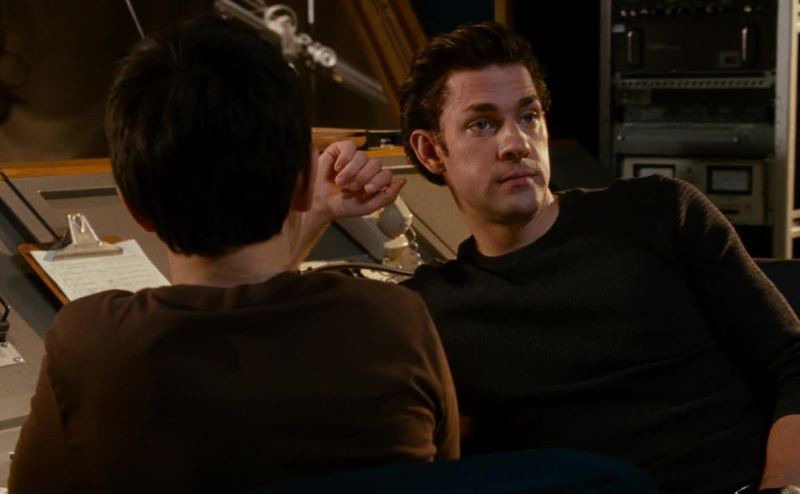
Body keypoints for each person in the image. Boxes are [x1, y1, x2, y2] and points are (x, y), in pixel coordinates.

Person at [8, 16, 459, 493]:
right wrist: (307, 208)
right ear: (304, 183)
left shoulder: (90, 346)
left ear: (134, 207)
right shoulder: (395, 321)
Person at [393, 21, 800, 494]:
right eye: (482, 124)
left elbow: (793, 362)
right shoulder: (428, 308)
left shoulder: (660, 211)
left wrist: (781, 489)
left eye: (528, 116)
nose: (517, 144)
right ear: (430, 151)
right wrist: (324, 211)